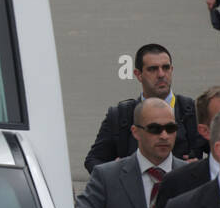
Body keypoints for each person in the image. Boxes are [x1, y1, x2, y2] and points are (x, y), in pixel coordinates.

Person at [84, 43, 203, 172]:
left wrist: (202, 168)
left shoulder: (193, 111)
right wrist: (113, 172)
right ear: (138, 74)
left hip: (180, 191)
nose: (161, 74)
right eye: (153, 69)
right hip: (134, 190)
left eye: (166, 67)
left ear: (172, 70)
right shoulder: (120, 115)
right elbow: (93, 160)